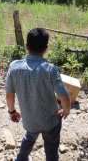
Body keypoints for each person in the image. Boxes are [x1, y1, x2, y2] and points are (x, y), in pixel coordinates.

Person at [6, 28, 71, 161]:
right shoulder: (50, 69)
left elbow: (9, 95)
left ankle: (21, 158)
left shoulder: (14, 67)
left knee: (29, 137)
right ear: (46, 48)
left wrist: (12, 111)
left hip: (29, 120)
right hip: (50, 121)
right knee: (51, 148)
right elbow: (64, 96)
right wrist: (66, 110)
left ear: (26, 46)